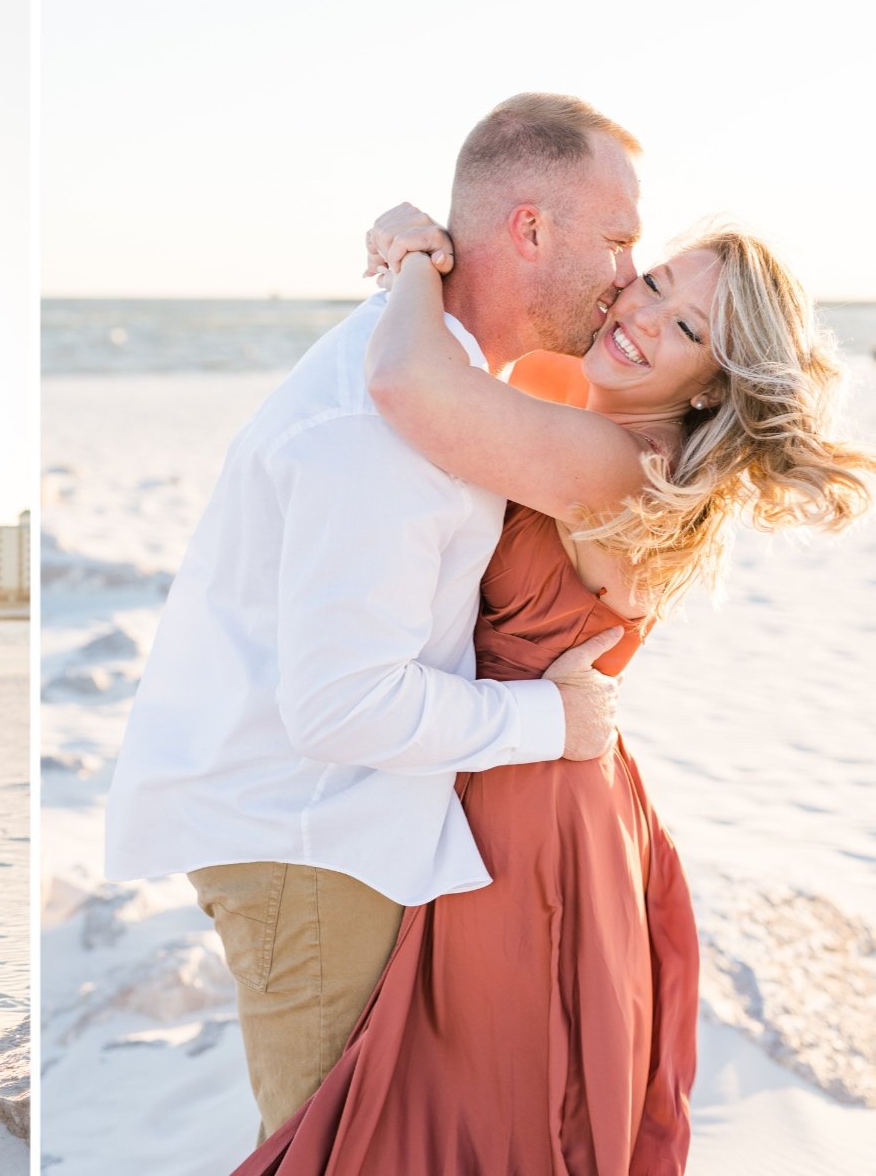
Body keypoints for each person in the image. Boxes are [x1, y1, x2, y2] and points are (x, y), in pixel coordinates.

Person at [232, 212, 873, 1173]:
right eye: (655, 281)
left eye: (694, 332)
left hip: (529, 812)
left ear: (713, 389)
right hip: (509, 762)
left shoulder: (619, 467)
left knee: (487, 1110)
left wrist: (413, 255)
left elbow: (408, 381)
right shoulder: (566, 399)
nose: (648, 316)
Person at [103, 93, 637, 1142]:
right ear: (530, 229)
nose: (628, 270)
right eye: (618, 237)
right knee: (327, 1153)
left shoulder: (439, 375)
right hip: (309, 841)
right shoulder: (379, 425)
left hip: (338, 830)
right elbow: (343, 706)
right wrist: (550, 724)